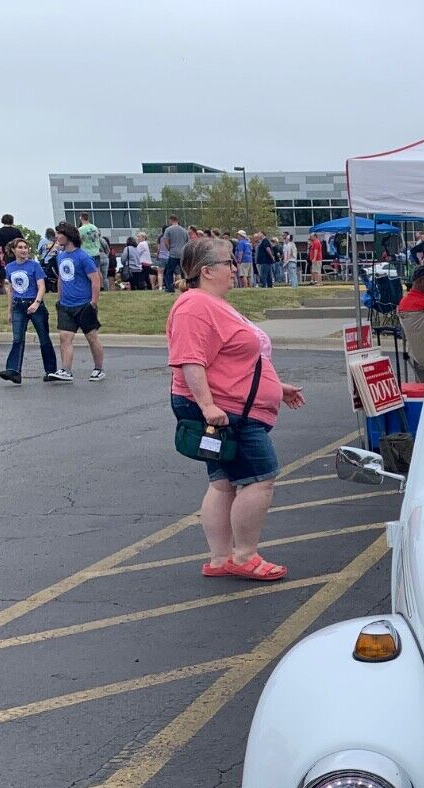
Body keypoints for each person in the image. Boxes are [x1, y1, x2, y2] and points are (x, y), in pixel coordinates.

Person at [168, 236, 306, 582]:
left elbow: (237, 358)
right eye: (228, 262)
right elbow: (190, 360)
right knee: (259, 480)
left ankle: (221, 558)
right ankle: (244, 555)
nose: (235, 268)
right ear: (207, 270)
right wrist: (208, 405)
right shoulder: (194, 306)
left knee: (224, 483)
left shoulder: (211, 303)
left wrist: (276, 388)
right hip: (229, 412)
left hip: (232, 406)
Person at [50, 221, 104, 382]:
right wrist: (59, 298)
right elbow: (61, 278)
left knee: (92, 337)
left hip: (84, 304)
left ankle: (98, 369)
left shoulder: (83, 257)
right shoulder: (60, 256)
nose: (57, 236)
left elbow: (95, 280)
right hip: (66, 305)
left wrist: (93, 302)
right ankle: (66, 370)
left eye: (60, 233)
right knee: (65, 337)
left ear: (69, 236)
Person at [0, 237, 58, 384]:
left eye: (25, 247)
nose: (23, 250)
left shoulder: (34, 266)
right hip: (18, 305)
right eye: (20, 247)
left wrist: (37, 303)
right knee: (17, 338)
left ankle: (51, 370)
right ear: (13, 250)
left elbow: (42, 287)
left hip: (34, 303)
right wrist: (10, 310)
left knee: (44, 338)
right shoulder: (10, 267)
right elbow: (11, 290)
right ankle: (14, 370)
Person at [76, 212, 105, 291]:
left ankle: (90, 286)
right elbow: (98, 236)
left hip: (87, 253)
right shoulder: (94, 227)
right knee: (98, 270)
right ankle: (101, 286)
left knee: (88, 271)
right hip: (96, 251)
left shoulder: (81, 229)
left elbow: (78, 240)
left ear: (81, 218)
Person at [158, 215, 188, 292]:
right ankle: (185, 286)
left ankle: (170, 288)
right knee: (183, 272)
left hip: (173, 253)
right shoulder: (184, 231)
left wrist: (169, 248)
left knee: (169, 271)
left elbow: (166, 240)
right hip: (182, 253)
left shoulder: (168, 230)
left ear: (171, 220)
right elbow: (187, 242)